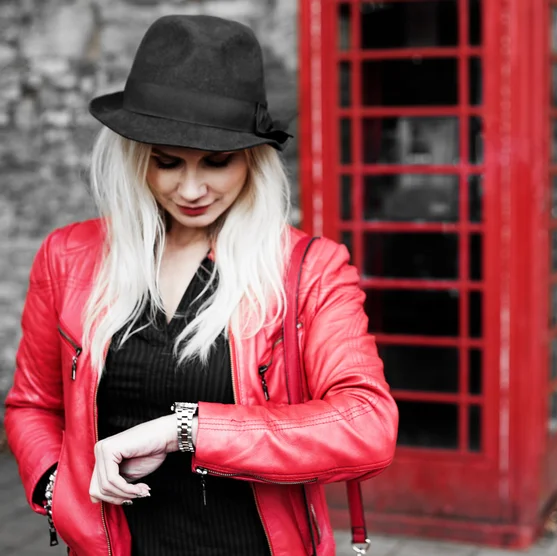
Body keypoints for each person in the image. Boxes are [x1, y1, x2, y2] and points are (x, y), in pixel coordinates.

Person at [4, 14, 398, 556]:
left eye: (217, 163)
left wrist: (181, 430)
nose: (191, 189)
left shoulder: (310, 268)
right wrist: (56, 491)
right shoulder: (69, 257)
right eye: (167, 163)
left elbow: (367, 424)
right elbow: (32, 405)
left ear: (255, 162)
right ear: (136, 157)